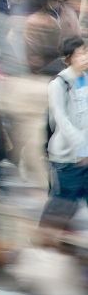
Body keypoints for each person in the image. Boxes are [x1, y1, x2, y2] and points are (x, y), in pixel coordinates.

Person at [44, 37, 88, 217]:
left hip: (84, 156)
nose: (85, 57)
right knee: (61, 207)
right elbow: (61, 119)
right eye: (80, 54)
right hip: (68, 158)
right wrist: (82, 148)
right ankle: (44, 241)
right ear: (68, 58)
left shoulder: (86, 79)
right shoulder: (58, 84)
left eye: (86, 52)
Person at [25, 0, 79, 74]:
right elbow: (35, 59)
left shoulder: (69, 13)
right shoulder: (34, 21)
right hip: (44, 70)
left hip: (68, 64)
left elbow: (77, 39)